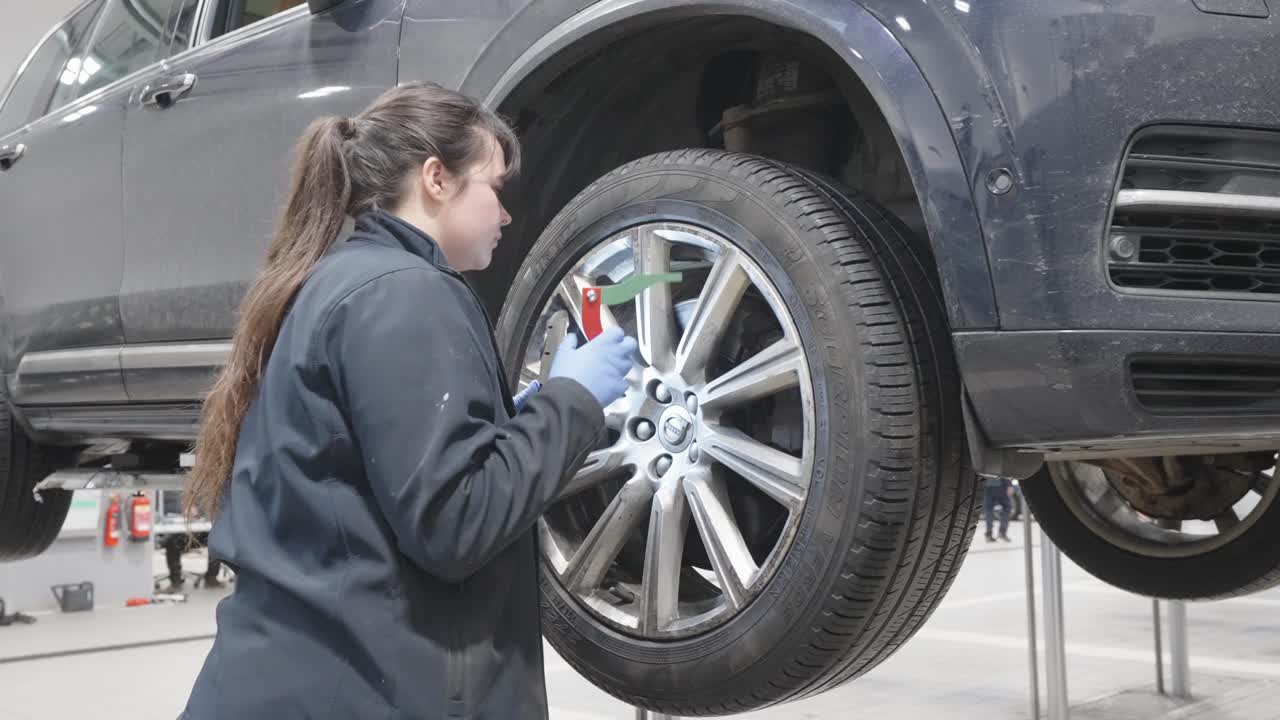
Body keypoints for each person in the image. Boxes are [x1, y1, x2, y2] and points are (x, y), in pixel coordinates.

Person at [178, 82, 637, 719]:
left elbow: (391, 480)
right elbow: (456, 522)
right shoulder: (406, 294)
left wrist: (519, 419)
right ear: (436, 179)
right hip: (357, 693)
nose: (505, 215)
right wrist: (573, 400)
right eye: (495, 188)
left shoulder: (344, 282)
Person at [983, 476, 1013, 542]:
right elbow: (1004, 467)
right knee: (1007, 507)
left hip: (987, 482)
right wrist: (1009, 484)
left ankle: (989, 534)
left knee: (989, 510)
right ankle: (1002, 532)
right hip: (999, 482)